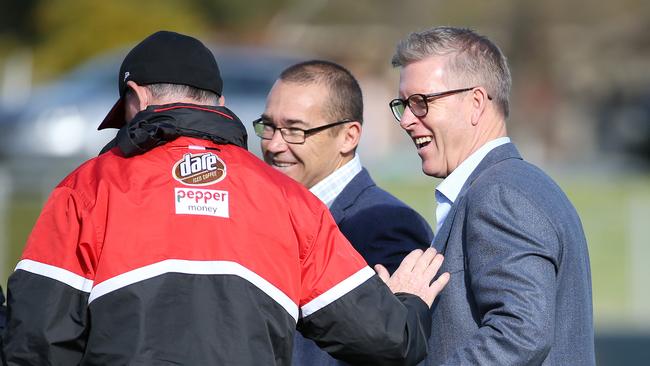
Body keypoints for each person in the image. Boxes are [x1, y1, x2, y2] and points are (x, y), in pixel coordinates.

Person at [2, 30, 450, 366]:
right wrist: (408, 306)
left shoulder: (87, 188)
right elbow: (388, 342)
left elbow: (37, 343)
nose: (275, 143)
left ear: (135, 98)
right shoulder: (289, 201)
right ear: (220, 101)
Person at [389, 26, 595, 365]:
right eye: (404, 104)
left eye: (421, 103)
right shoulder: (517, 184)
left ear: (475, 103)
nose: (407, 120)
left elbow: (520, 333)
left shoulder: (500, 195)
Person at [255, 60, 434, 366]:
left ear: (349, 136)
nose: (274, 144)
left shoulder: (386, 226)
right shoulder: (268, 213)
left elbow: (388, 348)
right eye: (268, 126)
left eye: (295, 130)